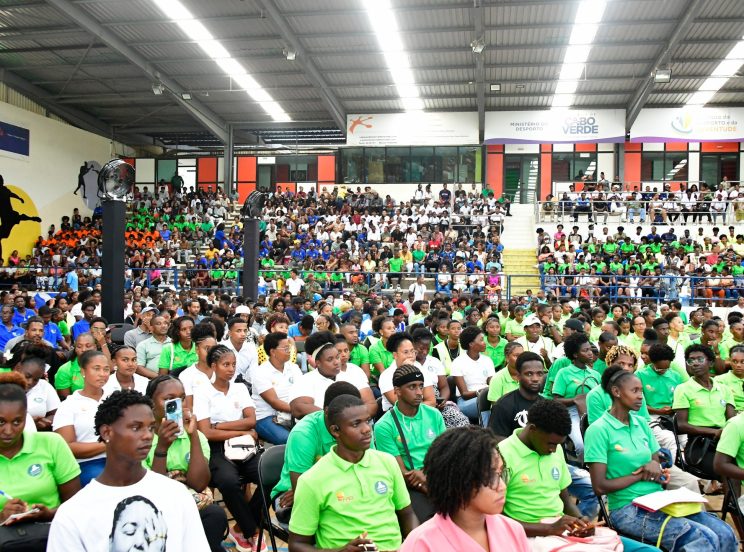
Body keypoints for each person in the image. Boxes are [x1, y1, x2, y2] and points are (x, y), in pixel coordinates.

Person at [585, 364, 737, 552]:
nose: (641, 396)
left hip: (658, 500)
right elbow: (599, 487)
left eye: (641, 390)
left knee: (724, 532)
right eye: (634, 391)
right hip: (627, 508)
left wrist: (659, 473)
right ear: (616, 392)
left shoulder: (641, 424)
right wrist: (640, 476)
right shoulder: (599, 430)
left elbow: (656, 468)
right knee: (700, 538)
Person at [47, 390, 210, 551]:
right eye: (136, 427)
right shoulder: (74, 513)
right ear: (107, 432)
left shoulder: (177, 494)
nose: (147, 435)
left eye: (151, 428)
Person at [288, 394, 418, 551]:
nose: (367, 429)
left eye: (367, 421)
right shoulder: (312, 480)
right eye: (356, 424)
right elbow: (296, 545)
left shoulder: (387, 462)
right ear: (335, 431)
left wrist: (413, 546)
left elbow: (407, 514)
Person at [400, 426, 529, 552]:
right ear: (459, 480)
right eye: (490, 476)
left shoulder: (513, 530)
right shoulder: (421, 543)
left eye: (500, 474)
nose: (502, 486)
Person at [145, 375, 228, 552]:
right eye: (169, 400)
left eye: (181, 399)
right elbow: (155, 493)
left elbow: (199, 484)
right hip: (155, 509)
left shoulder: (196, 437)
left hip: (189, 501)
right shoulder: (142, 439)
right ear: (151, 404)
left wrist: (193, 435)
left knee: (215, 515)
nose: (178, 405)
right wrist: (162, 447)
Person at [193, 344, 264, 552]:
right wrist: (241, 431)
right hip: (217, 448)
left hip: (244, 446)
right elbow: (206, 432)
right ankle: (252, 531)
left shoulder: (239, 388)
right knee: (228, 481)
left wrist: (220, 426)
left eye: (233, 364)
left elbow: (251, 420)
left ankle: (241, 526)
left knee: (270, 475)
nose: (231, 369)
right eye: (226, 365)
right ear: (214, 366)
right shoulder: (202, 391)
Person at [0, 372, 80, 551]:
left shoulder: (51, 443)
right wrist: (1, 517)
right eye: (0, 422)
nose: (8, 431)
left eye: (17, 422)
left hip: (51, 538)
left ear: (26, 417)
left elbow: (75, 505)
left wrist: (48, 514)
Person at [498, 400, 602, 538]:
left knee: (624, 545)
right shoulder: (502, 455)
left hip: (557, 532)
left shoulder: (555, 449)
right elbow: (497, 519)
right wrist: (548, 529)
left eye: (558, 444)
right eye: (551, 444)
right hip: (525, 536)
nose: (553, 450)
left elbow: (565, 501)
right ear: (533, 429)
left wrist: (580, 520)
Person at [270, 382, 362, 526]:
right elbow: (302, 491)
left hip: (340, 491)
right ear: (327, 411)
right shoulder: (304, 433)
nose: (353, 420)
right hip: (292, 494)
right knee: (338, 527)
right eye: (346, 414)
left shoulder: (360, 428)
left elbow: (368, 471)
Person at [374, 364, 446, 522]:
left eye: (421, 386)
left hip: (437, 476)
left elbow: (445, 454)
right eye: (412, 387)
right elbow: (400, 471)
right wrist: (424, 484)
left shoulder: (434, 414)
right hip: (410, 485)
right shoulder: (384, 426)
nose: (419, 392)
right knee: (428, 520)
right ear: (397, 391)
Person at [673, 343, 736, 476]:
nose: (695, 363)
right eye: (691, 360)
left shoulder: (724, 389)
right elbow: (681, 425)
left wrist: (725, 433)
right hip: (699, 444)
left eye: (700, 359)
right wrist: (714, 432)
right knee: (727, 470)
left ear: (711, 363)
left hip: (724, 440)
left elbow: (732, 420)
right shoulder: (683, 389)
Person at [53, 350, 111, 486]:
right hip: (87, 463)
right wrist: (109, 444)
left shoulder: (116, 398)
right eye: (96, 369)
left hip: (121, 458)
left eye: (106, 369)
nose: (102, 374)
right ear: (83, 372)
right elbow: (67, 447)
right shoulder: (69, 405)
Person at [289, 331, 368, 419]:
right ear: (318, 363)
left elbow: (370, 403)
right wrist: (338, 420)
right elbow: (299, 408)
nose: (336, 362)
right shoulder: (305, 380)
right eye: (330, 359)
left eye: (337, 357)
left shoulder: (352, 374)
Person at [551, 332, 600, 458]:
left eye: (590, 349)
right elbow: (556, 400)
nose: (590, 353)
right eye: (585, 350)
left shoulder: (595, 374)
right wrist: (576, 400)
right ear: (575, 354)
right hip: (572, 413)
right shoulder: (564, 373)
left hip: (594, 412)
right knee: (581, 445)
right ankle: (583, 467)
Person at [252, 331, 303, 444]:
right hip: (267, 417)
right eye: (285, 348)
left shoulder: (293, 368)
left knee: (311, 435)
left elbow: (303, 392)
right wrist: (300, 410)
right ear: (273, 352)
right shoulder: (260, 372)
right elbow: (274, 402)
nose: (289, 351)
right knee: (289, 440)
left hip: (292, 413)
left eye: (289, 348)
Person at [489, 352, 545, 441]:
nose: (535, 379)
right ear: (518, 376)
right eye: (529, 374)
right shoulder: (503, 405)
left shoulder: (547, 405)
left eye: (539, 374)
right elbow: (496, 439)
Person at [450, 326, 495, 423]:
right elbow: (464, 394)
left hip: (487, 395)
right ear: (471, 344)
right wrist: (482, 391)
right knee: (485, 401)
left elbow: (492, 383)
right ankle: (486, 428)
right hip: (466, 401)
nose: (485, 343)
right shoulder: (458, 363)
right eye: (481, 340)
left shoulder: (487, 360)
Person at [177, 323, 218, 410]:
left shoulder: (222, 370)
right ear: (197, 349)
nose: (211, 352)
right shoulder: (186, 375)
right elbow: (189, 407)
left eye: (214, 348)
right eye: (207, 349)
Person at [15, 355, 59, 431]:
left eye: (36, 379)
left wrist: (45, 422)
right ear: (18, 368)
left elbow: (56, 414)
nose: (30, 382)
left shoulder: (44, 386)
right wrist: (30, 423)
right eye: (27, 376)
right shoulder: (4, 386)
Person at [136, 314, 171, 379]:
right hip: (151, 380)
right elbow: (138, 367)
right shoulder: (143, 345)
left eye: (165, 323)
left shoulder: (174, 343)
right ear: (151, 328)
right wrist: (160, 378)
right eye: (159, 324)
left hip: (174, 379)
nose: (163, 326)